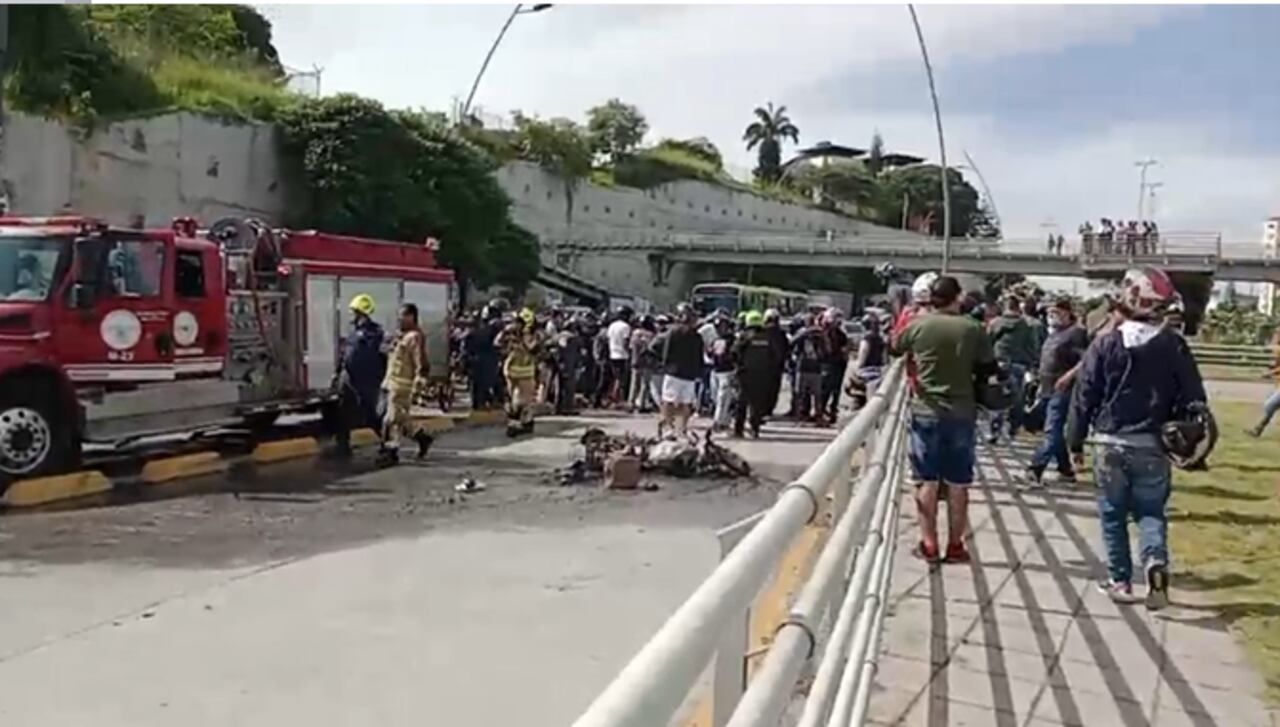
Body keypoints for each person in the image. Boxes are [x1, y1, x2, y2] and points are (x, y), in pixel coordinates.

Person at [1068, 267, 1207, 609]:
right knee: (1150, 511)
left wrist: (1074, 442)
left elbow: (1084, 396)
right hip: (1152, 442)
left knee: (1112, 513)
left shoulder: (1105, 345)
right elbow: (1194, 395)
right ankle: (1155, 560)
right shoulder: (1173, 345)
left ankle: (1121, 581)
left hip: (1108, 439)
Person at [892, 275, 995, 564]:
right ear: (957, 297)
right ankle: (955, 545)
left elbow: (895, 348)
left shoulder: (918, 325)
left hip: (926, 409)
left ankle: (928, 544)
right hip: (962, 412)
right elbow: (988, 367)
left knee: (926, 480)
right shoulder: (973, 328)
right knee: (959, 482)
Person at [1025, 298, 1088, 485]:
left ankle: (1035, 468)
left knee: (1052, 429)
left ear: (1068, 313)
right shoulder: (1054, 334)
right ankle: (1066, 471)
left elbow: (1085, 360)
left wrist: (1068, 376)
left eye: (1056, 312)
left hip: (1063, 388)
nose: (1052, 316)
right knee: (1054, 431)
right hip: (1046, 387)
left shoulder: (1076, 333)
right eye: (1049, 312)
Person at [378, 303, 434, 465]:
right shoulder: (400, 336)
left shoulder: (414, 337)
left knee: (391, 420)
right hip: (391, 382)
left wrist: (420, 380)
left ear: (411, 316)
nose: (399, 319)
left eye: (403, 316)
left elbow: (420, 361)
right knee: (399, 420)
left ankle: (389, 452)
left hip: (402, 385)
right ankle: (421, 437)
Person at [332, 294, 386, 457]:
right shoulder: (353, 332)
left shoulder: (375, 333)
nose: (353, 316)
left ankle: (387, 442)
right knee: (343, 412)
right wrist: (338, 373)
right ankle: (343, 446)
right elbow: (346, 353)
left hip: (366, 380)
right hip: (348, 379)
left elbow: (379, 355)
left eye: (356, 313)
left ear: (364, 314)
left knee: (370, 414)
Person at [986, 295, 1038, 443]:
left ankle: (994, 431)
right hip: (1018, 364)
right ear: (1017, 307)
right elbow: (1032, 346)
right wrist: (1032, 362)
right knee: (1017, 398)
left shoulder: (995, 323)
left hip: (998, 363)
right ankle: (1013, 428)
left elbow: (987, 342)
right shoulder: (1026, 325)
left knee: (996, 397)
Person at [651, 303, 705, 438]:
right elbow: (699, 356)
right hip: (689, 375)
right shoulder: (696, 336)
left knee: (668, 401)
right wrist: (698, 372)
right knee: (686, 403)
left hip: (673, 372)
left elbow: (666, 351)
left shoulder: (673, 332)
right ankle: (683, 428)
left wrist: (664, 365)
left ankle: (669, 427)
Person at [497, 308, 543, 436]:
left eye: (518, 322)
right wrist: (506, 335)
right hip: (512, 370)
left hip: (525, 371)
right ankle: (518, 423)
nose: (515, 324)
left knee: (523, 400)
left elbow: (533, 349)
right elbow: (497, 343)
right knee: (514, 400)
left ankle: (524, 423)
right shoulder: (509, 333)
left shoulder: (533, 335)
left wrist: (520, 339)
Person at [733, 310, 778, 439]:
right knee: (757, 404)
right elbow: (775, 356)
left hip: (745, 374)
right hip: (763, 375)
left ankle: (738, 430)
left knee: (741, 403)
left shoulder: (744, 336)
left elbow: (734, 353)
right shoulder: (768, 338)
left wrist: (738, 366)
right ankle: (755, 429)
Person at [791, 313, 830, 424]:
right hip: (807, 367)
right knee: (804, 394)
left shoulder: (819, 333)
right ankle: (802, 416)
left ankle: (815, 416)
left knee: (813, 394)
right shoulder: (805, 333)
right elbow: (792, 342)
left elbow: (827, 349)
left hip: (811, 367)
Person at [1246, 329, 1280, 437]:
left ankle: (1258, 429)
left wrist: (1270, 373)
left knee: (1270, 405)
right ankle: (1258, 429)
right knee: (1271, 406)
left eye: (1277, 335)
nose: (1274, 337)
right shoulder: (1277, 350)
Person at [820, 309, 851, 421]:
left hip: (838, 364)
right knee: (826, 389)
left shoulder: (840, 334)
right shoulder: (823, 333)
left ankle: (832, 410)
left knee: (835, 390)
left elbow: (845, 349)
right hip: (828, 364)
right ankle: (822, 410)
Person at [761, 308, 790, 418]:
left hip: (764, 366)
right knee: (773, 389)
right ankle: (768, 410)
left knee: (763, 389)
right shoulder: (781, 333)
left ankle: (763, 410)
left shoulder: (762, 331)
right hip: (776, 367)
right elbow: (787, 349)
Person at [629, 315, 660, 413]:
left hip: (635, 361)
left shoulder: (635, 333)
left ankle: (631, 403)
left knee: (634, 384)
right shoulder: (652, 335)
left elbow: (630, 347)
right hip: (647, 362)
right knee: (644, 384)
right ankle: (641, 405)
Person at [605, 307, 634, 408]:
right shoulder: (626, 327)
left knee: (616, 377)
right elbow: (626, 342)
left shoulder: (612, 325)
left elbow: (608, 339)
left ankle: (615, 398)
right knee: (620, 378)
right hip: (622, 355)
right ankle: (615, 398)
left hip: (612, 353)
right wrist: (629, 352)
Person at [853, 311, 887, 396]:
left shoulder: (867, 338)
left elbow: (863, 352)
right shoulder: (880, 339)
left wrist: (859, 365)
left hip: (866, 370)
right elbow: (884, 358)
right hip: (877, 370)